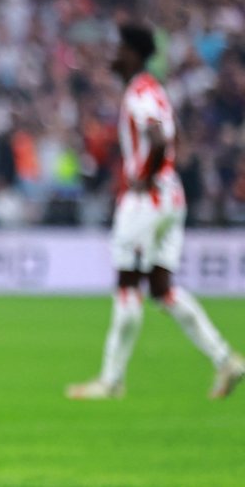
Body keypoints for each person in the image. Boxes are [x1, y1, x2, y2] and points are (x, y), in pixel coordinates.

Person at [66, 24, 245, 401]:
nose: (113, 56)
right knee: (162, 288)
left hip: (147, 199)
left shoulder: (139, 93)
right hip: (171, 196)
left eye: (119, 49)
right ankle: (225, 359)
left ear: (133, 54)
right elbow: (174, 134)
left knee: (128, 283)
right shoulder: (156, 90)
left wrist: (145, 176)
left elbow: (161, 138)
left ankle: (111, 381)